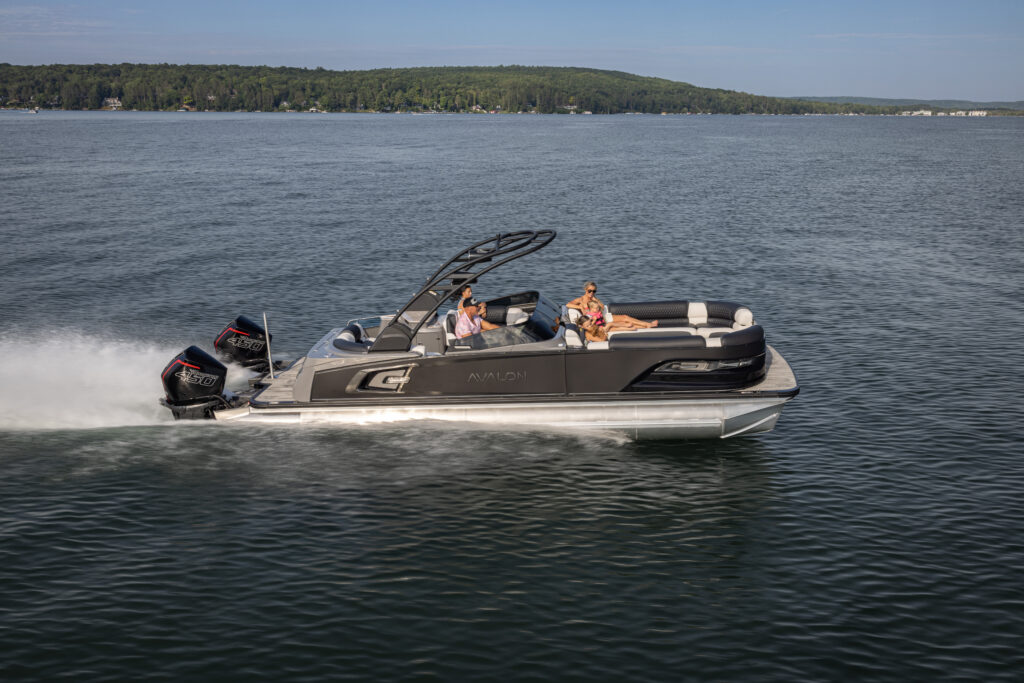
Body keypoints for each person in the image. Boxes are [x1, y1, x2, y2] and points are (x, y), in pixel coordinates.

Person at [568, 281, 657, 329]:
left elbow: (602, 308)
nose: (591, 293)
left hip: (603, 317)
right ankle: (646, 326)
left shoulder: (594, 299)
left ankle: (647, 324)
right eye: (589, 291)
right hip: (598, 321)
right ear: (585, 290)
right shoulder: (581, 300)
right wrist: (579, 306)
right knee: (625, 322)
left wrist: (596, 300)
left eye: (594, 291)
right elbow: (568, 304)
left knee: (625, 317)